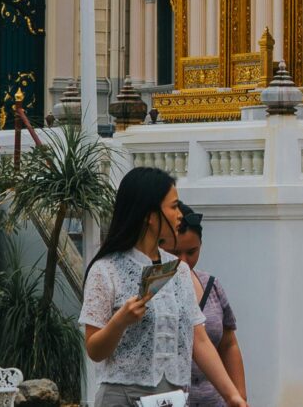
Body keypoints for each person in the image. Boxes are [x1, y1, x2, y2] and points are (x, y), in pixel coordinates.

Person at [80, 167, 249, 407]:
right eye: (174, 207)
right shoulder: (106, 270)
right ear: (150, 215)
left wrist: (232, 396)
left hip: (171, 399)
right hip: (122, 399)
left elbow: (199, 340)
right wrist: (120, 321)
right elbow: (94, 350)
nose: (180, 215)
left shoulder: (179, 270)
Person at [170, 204, 245, 407]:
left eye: (191, 252)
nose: (183, 261)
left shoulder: (211, 286)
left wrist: (239, 396)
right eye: (175, 253)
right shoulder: (152, 291)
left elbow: (228, 343)